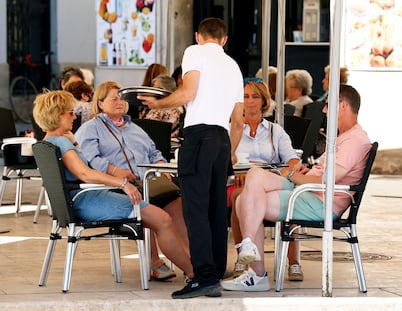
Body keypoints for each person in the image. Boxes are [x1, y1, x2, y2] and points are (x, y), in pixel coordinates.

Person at [32, 90, 194, 284]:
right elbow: (85, 173)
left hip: (76, 201)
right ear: (56, 115)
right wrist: (123, 183)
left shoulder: (49, 142)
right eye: (70, 113)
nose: (75, 117)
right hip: (88, 200)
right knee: (163, 220)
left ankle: (181, 266)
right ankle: (194, 272)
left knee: (163, 216)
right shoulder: (61, 143)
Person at [221, 84, 372, 292]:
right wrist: (305, 171)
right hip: (308, 190)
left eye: (328, 105)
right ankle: (248, 245)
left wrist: (294, 175)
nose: (324, 110)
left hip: (318, 201)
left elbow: (327, 181)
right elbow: (323, 173)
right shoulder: (346, 136)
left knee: (244, 200)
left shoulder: (354, 140)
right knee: (255, 175)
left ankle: (256, 274)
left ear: (343, 106)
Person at [138, 17, 244, 299]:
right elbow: (239, 122)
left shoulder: (194, 52)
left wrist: (159, 103)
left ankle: (204, 277)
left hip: (199, 137)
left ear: (198, 36)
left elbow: (189, 92)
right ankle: (215, 273)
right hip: (221, 139)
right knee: (215, 210)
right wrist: (229, 149)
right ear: (224, 39)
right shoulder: (233, 66)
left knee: (195, 210)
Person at [75, 81, 189, 282]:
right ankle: (155, 262)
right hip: (117, 186)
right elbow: (89, 160)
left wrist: (161, 165)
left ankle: (193, 258)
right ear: (100, 103)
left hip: (149, 181)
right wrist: (115, 171)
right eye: (114, 99)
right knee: (148, 206)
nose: (120, 102)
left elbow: (154, 152)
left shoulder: (134, 127)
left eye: (121, 98)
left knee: (178, 206)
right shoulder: (91, 128)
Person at [228, 77, 302, 279]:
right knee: (238, 197)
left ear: (263, 101)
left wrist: (287, 169)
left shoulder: (275, 131)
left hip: (269, 181)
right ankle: (242, 258)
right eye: (245, 96)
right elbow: (224, 161)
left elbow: (292, 160)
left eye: (255, 96)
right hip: (237, 181)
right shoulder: (231, 129)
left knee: (291, 198)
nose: (250, 101)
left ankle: (294, 261)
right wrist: (237, 172)